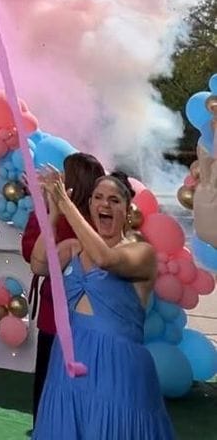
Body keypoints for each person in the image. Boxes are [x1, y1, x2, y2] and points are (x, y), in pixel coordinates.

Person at [32, 172, 175, 440]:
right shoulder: (73, 248)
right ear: (89, 206)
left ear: (127, 208)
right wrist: (52, 215)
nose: (105, 205)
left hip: (117, 370)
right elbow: (39, 264)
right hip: (69, 364)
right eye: (98, 198)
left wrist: (66, 203)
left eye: (114, 200)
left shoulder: (141, 252)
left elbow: (105, 258)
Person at [21, 152, 104, 425]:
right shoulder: (101, 222)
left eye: (63, 175)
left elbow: (33, 258)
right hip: (93, 325)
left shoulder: (62, 218)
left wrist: (46, 209)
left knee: (49, 389)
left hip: (58, 320)